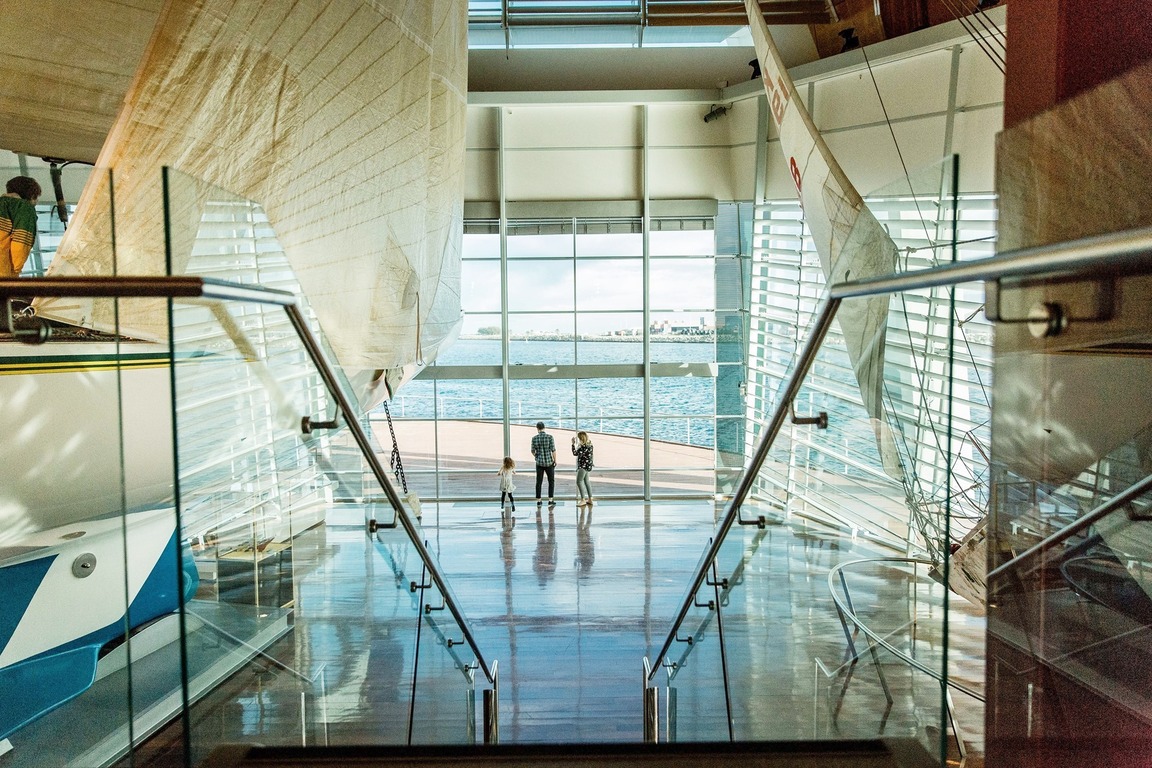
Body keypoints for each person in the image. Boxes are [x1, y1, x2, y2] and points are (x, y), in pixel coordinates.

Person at [1, 176, 41, 278]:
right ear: (32, 195)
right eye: (36, 198)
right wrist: (15, 272)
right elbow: (20, 246)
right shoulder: (25, 209)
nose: (36, 202)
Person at [530, 421, 556, 507]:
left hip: (539, 463)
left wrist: (537, 456)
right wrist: (555, 460)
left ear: (537, 428)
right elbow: (553, 450)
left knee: (539, 482)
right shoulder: (550, 437)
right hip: (549, 463)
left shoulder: (534, 438)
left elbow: (532, 451)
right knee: (551, 481)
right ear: (544, 427)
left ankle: (539, 501)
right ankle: (550, 500)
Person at [571, 431, 594, 507]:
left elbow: (575, 453)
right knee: (587, 482)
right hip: (588, 466)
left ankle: (583, 500)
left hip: (583, 466)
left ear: (581, 438)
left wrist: (573, 444)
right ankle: (590, 499)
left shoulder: (582, 447)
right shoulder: (590, 445)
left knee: (579, 481)